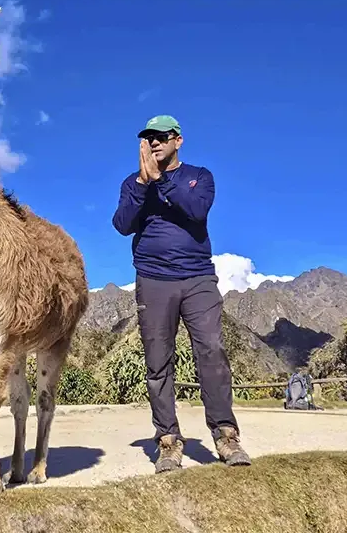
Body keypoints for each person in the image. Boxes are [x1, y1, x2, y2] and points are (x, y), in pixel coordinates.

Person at [111, 114, 250, 472]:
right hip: (153, 280)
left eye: (162, 136)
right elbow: (122, 224)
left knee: (212, 351)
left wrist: (161, 183)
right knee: (158, 361)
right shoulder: (133, 183)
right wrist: (144, 183)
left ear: (178, 140)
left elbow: (197, 210)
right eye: (148, 137)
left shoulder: (199, 177)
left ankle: (225, 435)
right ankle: (168, 441)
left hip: (198, 278)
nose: (155, 142)